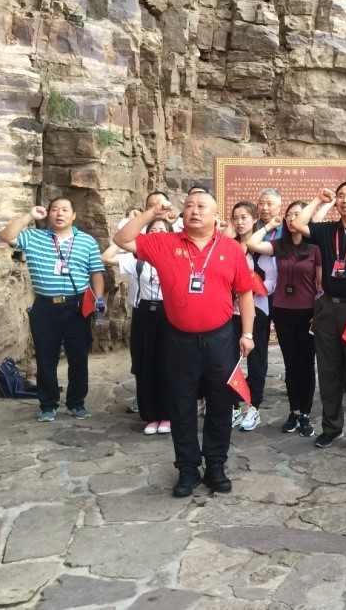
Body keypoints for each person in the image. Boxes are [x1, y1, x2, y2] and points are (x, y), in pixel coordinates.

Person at [114, 192, 255, 497]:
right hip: (179, 340)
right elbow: (122, 239)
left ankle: (215, 465)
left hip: (220, 339)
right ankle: (188, 469)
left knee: (220, 405)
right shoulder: (165, 243)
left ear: (215, 215)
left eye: (201, 206)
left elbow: (245, 292)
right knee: (181, 405)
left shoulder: (230, 248)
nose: (194, 211)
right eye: (189, 206)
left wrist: (247, 333)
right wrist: (151, 213)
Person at [0, 198, 105, 422]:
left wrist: (99, 301)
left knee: (78, 357)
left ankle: (76, 403)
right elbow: (7, 236)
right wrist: (29, 216)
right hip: (45, 307)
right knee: (45, 357)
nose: (60, 214)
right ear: (48, 214)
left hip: (77, 306)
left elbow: (96, 273)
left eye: (65, 210)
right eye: (55, 209)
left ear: (74, 215)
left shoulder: (87, 241)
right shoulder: (34, 237)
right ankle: (48, 404)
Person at [293, 183, 346, 453]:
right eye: (340, 196)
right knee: (329, 372)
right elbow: (297, 224)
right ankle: (331, 428)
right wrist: (318, 200)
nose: (344, 201)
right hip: (329, 309)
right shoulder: (328, 230)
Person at [248, 201, 322, 438]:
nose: (292, 219)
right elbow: (252, 243)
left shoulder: (315, 248)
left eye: (297, 214)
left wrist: (318, 313)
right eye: (289, 215)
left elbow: (320, 286)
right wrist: (270, 225)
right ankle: (294, 411)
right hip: (282, 311)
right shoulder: (280, 245)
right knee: (291, 365)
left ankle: (306, 414)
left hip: (308, 312)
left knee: (306, 364)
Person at [102, 218, 173, 435]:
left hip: (169, 314)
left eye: (162, 230)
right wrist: (128, 239)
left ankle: (168, 414)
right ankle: (150, 415)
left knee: (167, 364)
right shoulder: (138, 260)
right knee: (145, 364)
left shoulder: (177, 258)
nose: (157, 233)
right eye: (153, 230)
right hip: (145, 314)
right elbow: (107, 257)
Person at [229, 201, 276, 432]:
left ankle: (253, 407)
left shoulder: (262, 247)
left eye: (244, 217)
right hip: (230, 311)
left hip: (257, 310)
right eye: (236, 218)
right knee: (230, 360)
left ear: (255, 219)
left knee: (257, 361)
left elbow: (272, 279)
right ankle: (234, 406)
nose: (239, 222)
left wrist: (256, 288)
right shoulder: (228, 246)